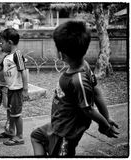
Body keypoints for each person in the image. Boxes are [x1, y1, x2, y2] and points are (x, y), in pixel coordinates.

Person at [30, 21, 119, 157]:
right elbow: (97, 91)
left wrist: (104, 124)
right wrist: (106, 117)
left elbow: (88, 109)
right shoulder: (85, 65)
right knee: (36, 136)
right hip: (58, 124)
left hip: (65, 132)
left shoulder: (77, 80)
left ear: (62, 55)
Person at [0, 28, 29, 146]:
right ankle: (11, 131)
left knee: (16, 114)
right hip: (10, 89)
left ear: (9, 42)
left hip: (17, 90)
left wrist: (25, 89)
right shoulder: (7, 56)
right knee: (11, 112)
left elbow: (23, 71)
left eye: (2, 42)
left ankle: (19, 136)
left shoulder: (17, 55)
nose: (0, 45)